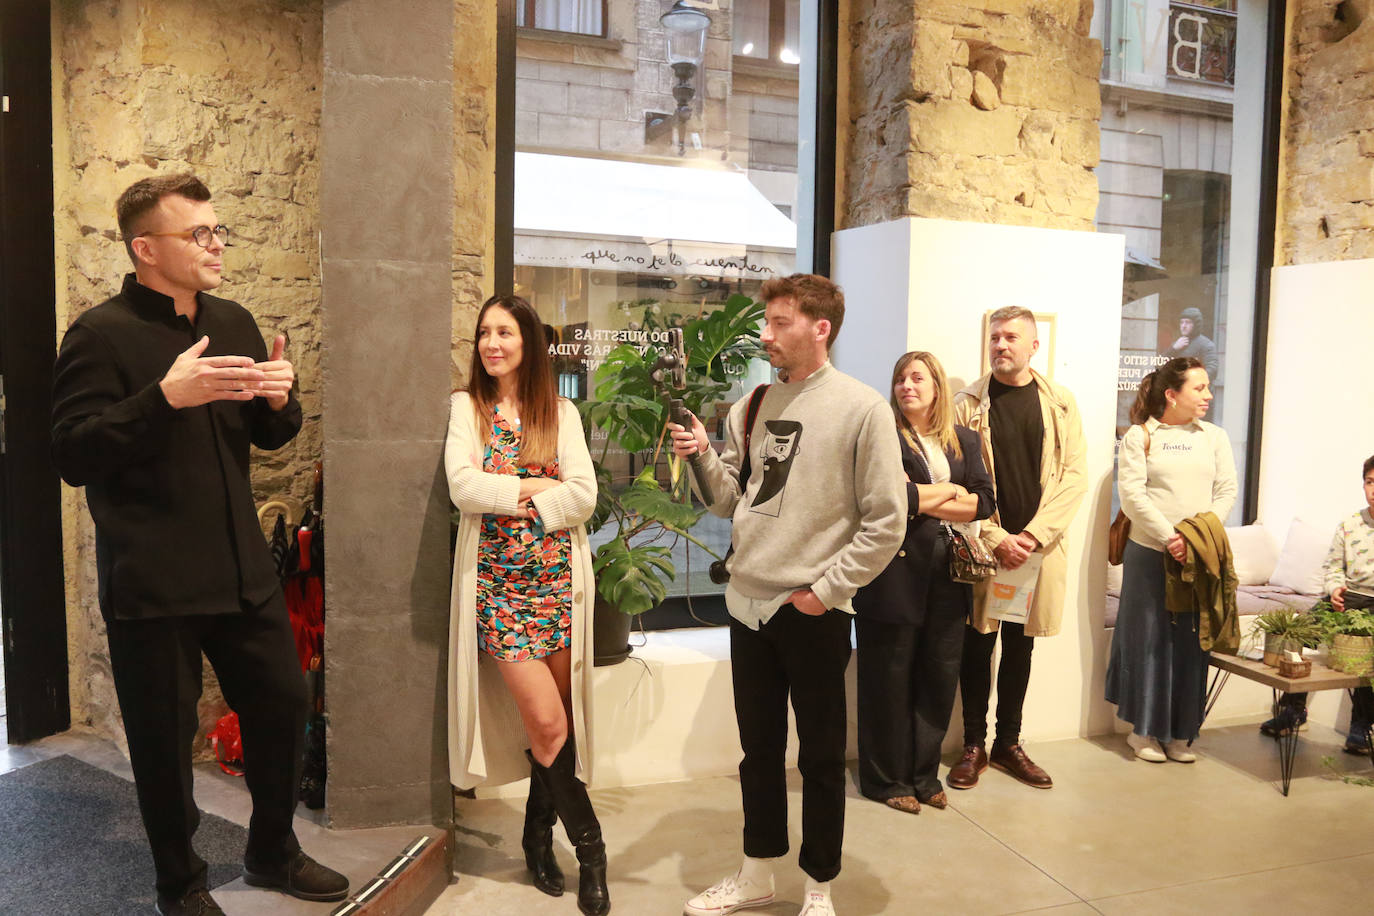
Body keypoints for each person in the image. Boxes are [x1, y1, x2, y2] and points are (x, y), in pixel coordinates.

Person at [51, 173, 348, 916]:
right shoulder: (99, 334)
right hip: (153, 583)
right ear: (145, 247)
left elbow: (269, 435)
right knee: (162, 744)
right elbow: (73, 454)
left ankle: (272, 849)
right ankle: (178, 883)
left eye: (219, 231)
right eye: (199, 234)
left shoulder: (237, 321)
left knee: (283, 704)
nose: (216, 244)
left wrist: (283, 401)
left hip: (242, 570)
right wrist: (163, 398)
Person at [668, 274, 905, 916]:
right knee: (759, 753)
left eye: (778, 323)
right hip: (746, 606)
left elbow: (888, 519)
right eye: (766, 323)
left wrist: (826, 592)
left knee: (823, 755)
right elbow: (731, 499)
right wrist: (698, 454)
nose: (765, 335)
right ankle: (756, 875)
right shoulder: (756, 402)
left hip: (810, 610)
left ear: (819, 327)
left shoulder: (862, 409)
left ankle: (820, 887)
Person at [444, 295, 607, 915]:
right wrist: (538, 487)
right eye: (484, 332)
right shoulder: (468, 408)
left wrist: (510, 495)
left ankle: (537, 838)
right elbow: (463, 488)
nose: (492, 343)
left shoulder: (558, 411)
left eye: (504, 332)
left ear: (528, 342)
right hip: (499, 592)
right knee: (546, 726)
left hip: (558, 589)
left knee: (558, 729)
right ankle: (592, 856)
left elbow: (585, 496)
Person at [949, 306, 1088, 791]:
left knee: (1019, 645)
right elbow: (958, 481)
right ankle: (973, 744)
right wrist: (998, 537)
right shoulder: (967, 404)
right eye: (994, 338)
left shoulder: (1060, 403)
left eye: (1011, 338)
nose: (1001, 345)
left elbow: (1074, 477)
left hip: (1037, 551)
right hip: (987, 547)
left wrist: (1030, 537)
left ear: (1033, 346)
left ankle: (1009, 743)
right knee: (976, 642)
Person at [852, 352, 994, 814]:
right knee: (887, 678)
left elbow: (985, 503)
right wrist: (953, 493)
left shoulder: (966, 441)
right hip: (891, 572)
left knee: (938, 675)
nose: (906, 385)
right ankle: (884, 779)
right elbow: (892, 498)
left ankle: (923, 774)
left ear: (937, 387)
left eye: (917, 377)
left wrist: (930, 500)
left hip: (948, 576)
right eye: (899, 378)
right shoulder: (882, 437)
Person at [1106, 357, 1237, 762]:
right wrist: (1170, 538)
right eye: (1198, 388)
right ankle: (1142, 732)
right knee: (1147, 640)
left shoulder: (1214, 437)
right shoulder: (1140, 437)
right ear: (1171, 394)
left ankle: (1181, 733)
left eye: (1207, 388)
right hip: (1149, 554)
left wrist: (1197, 537)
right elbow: (1132, 496)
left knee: (1191, 643)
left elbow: (1227, 490)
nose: (1207, 396)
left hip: (1199, 556)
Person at [1259, 456, 1374, 755]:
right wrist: (1334, 589)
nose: (1373, 490)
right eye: (1370, 482)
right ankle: (1293, 710)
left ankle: (1361, 726)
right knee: (1296, 633)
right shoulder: (1350, 525)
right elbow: (1333, 566)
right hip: (1347, 596)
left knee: (1364, 653)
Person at [1161, 307, 1219, 381]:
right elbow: (1159, 365)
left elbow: (1212, 370)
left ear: (1196, 325)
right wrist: (1173, 349)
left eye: (1188, 322)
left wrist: (1192, 383)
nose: (1183, 326)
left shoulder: (1206, 345)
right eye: (1181, 322)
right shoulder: (1177, 344)